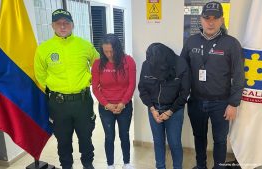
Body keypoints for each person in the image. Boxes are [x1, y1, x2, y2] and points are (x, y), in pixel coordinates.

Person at [180, 1, 245, 169]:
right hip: (196, 101)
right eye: (207, 18)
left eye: (215, 18)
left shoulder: (232, 44)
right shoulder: (191, 42)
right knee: (199, 137)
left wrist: (233, 103)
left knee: (220, 140)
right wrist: (181, 95)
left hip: (221, 103)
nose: (211, 22)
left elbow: (239, 76)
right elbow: (182, 70)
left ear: (222, 20)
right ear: (201, 20)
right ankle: (200, 165)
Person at [34, 9, 98, 169]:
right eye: (58, 23)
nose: (63, 26)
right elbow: (40, 75)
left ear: (72, 25)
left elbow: (98, 65)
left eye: (66, 23)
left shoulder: (85, 45)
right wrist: (57, 87)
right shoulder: (44, 49)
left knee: (86, 138)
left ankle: (88, 164)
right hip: (58, 104)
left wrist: (91, 79)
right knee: (63, 140)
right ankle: (66, 166)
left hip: (83, 102)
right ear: (52, 25)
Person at [138, 43, 190, 169]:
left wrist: (170, 112)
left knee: (174, 142)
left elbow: (185, 93)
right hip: (154, 109)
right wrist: (152, 108)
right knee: (158, 141)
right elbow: (142, 89)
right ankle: (160, 167)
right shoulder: (147, 64)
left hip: (174, 109)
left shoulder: (181, 64)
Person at [91, 34, 136, 169]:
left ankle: (127, 163)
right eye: (105, 51)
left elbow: (131, 85)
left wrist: (122, 103)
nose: (109, 54)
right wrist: (107, 104)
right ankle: (110, 165)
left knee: (124, 135)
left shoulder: (128, 61)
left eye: (111, 51)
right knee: (109, 137)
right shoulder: (98, 64)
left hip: (125, 106)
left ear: (118, 48)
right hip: (106, 108)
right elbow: (95, 88)